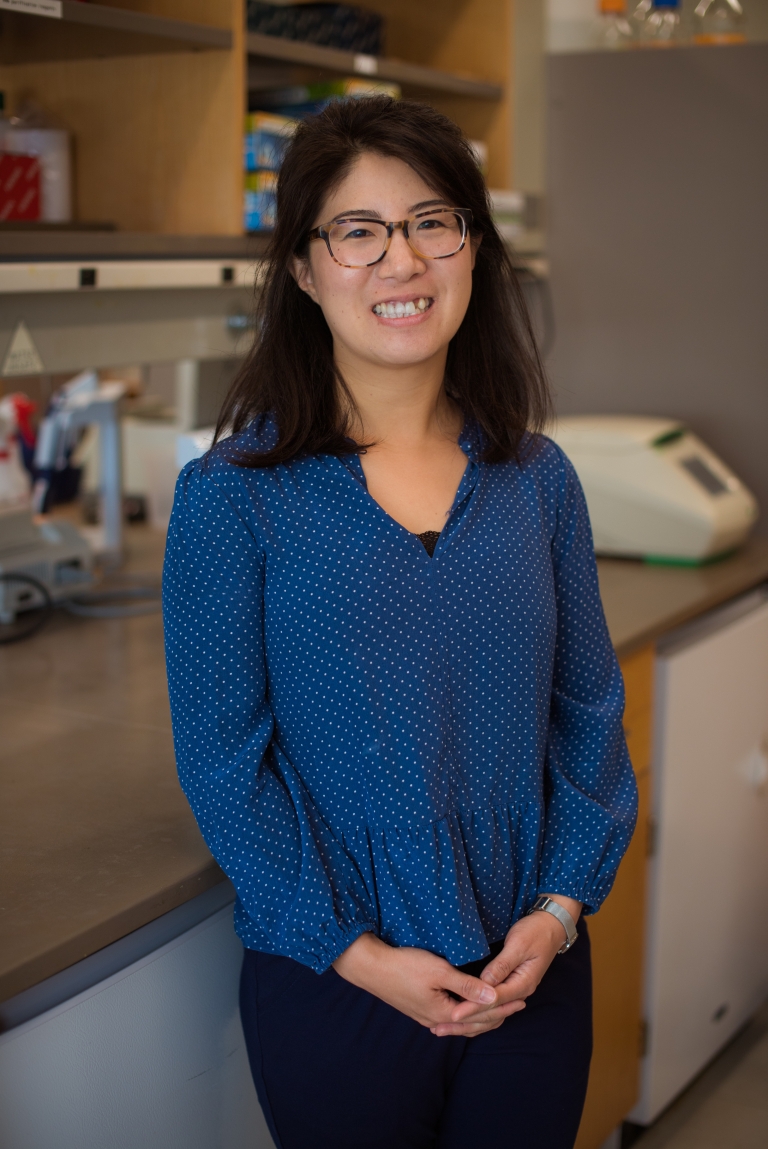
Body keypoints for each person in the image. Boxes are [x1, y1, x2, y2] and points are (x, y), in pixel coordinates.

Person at [162, 96, 638, 1149]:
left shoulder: (536, 480)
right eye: (358, 231)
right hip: (338, 984)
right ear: (301, 267)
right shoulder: (234, 497)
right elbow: (223, 766)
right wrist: (359, 956)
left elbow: (590, 716)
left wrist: (560, 912)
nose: (402, 261)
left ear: (474, 249)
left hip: (531, 974)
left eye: (433, 222)